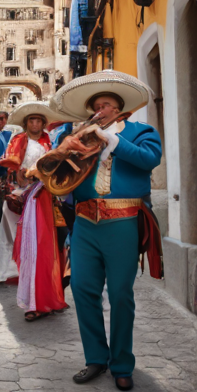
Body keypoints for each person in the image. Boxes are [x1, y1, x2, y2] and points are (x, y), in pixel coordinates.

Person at [50, 70, 162, 391]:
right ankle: (96, 358)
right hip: (85, 222)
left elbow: (149, 159)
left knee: (121, 295)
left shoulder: (142, 131)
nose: (100, 108)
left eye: (107, 104)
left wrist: (113, 140)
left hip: (123, 221)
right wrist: (66, 146)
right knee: (83, 290)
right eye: (96, 104)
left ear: (119, 108)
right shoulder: (76, 136)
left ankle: (122, 363)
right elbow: (56, 172)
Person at [0, 102, 70, 322]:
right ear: (26, 123)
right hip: (29, 199)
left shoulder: (52, 141)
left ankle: (54, 295)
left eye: (39, 120)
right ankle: (35, 300)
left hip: (51, 199)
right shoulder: (18, 141)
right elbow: (14, 171)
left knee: (55, 248)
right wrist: (24, 176)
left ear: (43, 123)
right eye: (32, 120)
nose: (35, 124)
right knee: (32, 248)